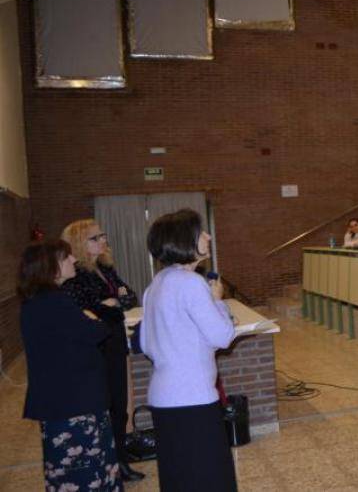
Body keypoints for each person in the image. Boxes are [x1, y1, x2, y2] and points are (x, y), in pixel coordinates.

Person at [141, 209, 237, 492]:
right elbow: (222, 336)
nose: (208, 236)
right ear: (185, 240)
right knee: (209, 479)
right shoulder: (191, 283)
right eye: (201, 232)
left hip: (163, 397)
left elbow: (146, 344)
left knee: (179, 477)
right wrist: (217, 300)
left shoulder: (156, 283)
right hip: (192, 398)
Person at [18, 240, 123, 492]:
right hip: (74, 405)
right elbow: (95, 332)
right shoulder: (54, 302)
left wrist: (91, 317)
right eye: (67, 257)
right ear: (51, 266)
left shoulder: (36, 301)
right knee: (86, 473)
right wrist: (95, 317)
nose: (74, 260)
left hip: (63, 402)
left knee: (73, 472)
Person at [60, 219, 143, 483]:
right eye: (95, 238)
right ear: (79, 244)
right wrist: (109, 305)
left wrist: (112, 302)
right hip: (96, 347)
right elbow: (82, 311)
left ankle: (121, 459)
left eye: (103, 235)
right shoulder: (75, 276)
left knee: (119, 405)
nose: (103, 240)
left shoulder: (106, 269)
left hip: (115, 341)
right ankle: (111, 462)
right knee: (105, 406)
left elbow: (129, 297)